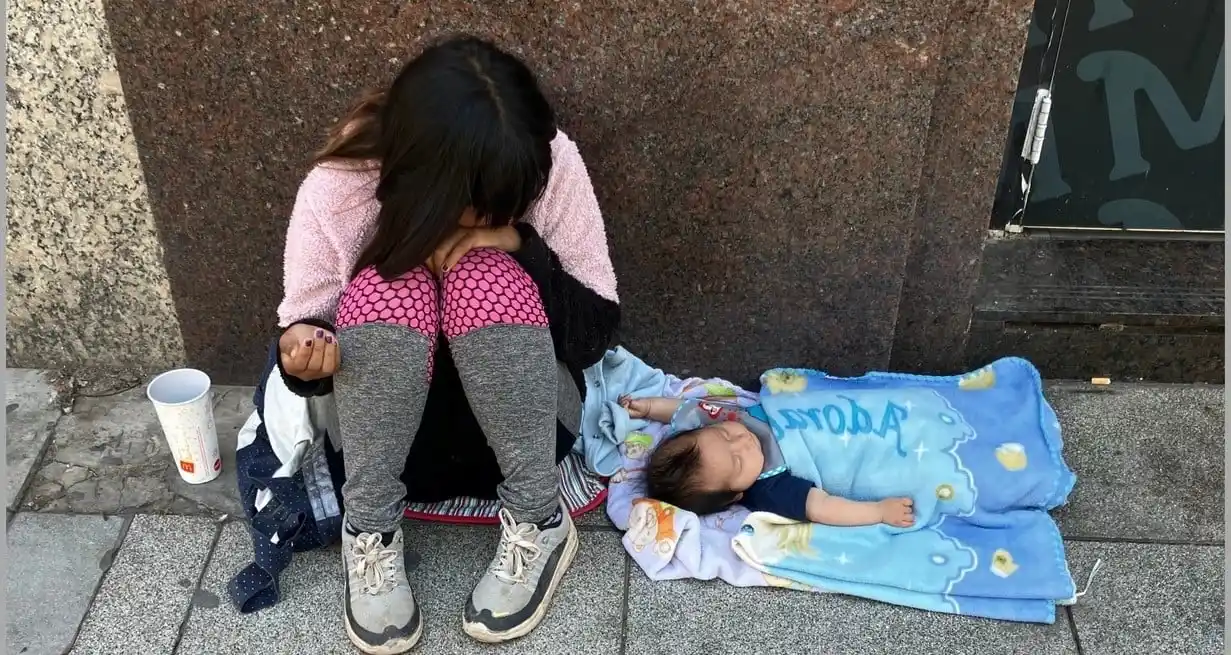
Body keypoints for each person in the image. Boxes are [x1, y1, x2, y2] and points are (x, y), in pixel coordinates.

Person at [276, 36, 619, 653]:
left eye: (507, 203)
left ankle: (540, 522)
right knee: (389, 280)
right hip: (385, 456)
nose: (487, 214)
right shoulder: (341, 185)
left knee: (484, 275)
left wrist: (519, 245)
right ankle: (371, 533)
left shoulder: (545, 155)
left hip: (524, 444)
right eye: (473, 206)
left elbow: (595, 328)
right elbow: (305, 331)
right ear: (420, 177)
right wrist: (303, 353)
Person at [620, 396, 915, 528]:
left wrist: (648, 407)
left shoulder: (729, 423)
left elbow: (687, 409)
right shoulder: (769, 488)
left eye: (725, 435)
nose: (742, 442)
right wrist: (877, 511)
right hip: (861, 444)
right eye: (737, 462)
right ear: (735, 496)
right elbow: (822, 507)